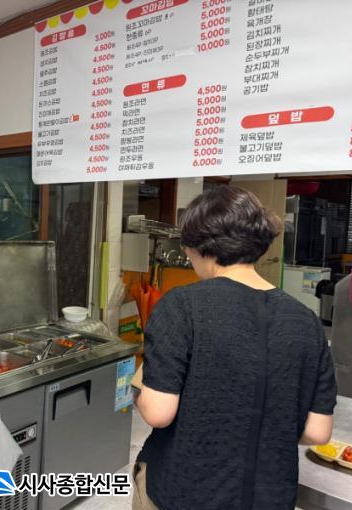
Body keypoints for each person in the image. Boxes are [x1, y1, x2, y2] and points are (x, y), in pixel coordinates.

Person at [133, 186, 337, 510]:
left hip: (184, 493)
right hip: (268, 497)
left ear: (198, 246)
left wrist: (140, 394)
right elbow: (317, 431)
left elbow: (158, 412)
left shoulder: (182, 305)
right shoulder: (306, 321)